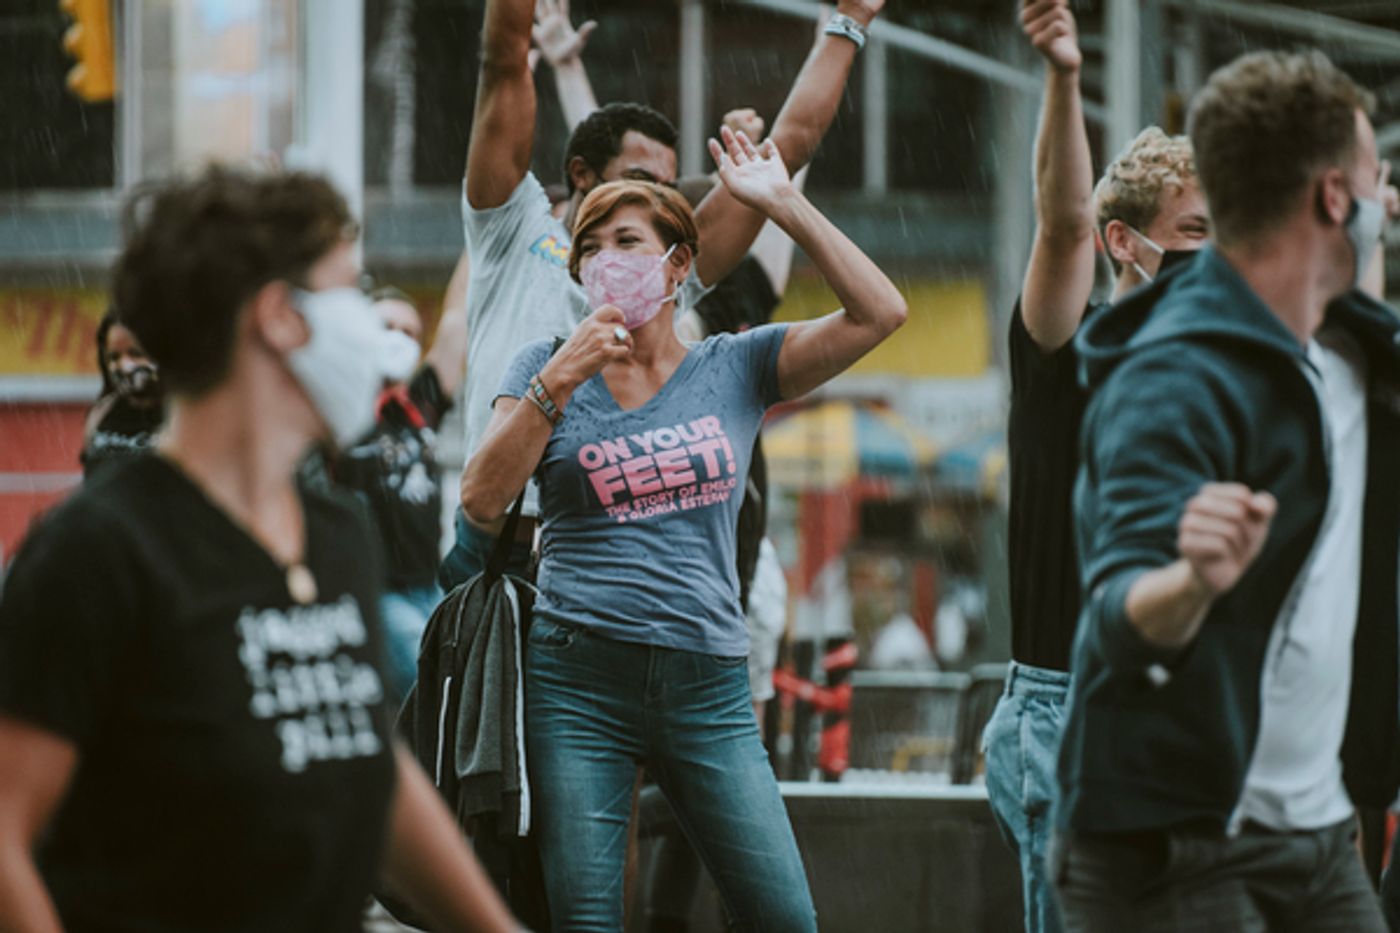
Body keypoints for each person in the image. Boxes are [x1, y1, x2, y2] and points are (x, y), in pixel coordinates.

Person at [0, 165, 520, 932]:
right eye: (348, 292)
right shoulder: (94, 552)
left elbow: (368, 765)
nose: (373, 335)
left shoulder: (335, 526)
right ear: (279, 316)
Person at [460, 126, 906, 930]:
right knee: (588, 918)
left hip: (709, 684)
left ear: (676, 266)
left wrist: (784, 204)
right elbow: (482, 499)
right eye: (590, 246)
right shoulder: (542, 363)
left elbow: (881, 312)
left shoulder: (733, 364)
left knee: (783, 916)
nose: (606, 259)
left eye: (627, 240)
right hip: (577, 677)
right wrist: (560, 379)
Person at [1053, 50, 1396, 931]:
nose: (1385, 200)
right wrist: (1194, 578)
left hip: (1318, 837)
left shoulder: (1359, 351)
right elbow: (1121, 617)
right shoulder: (1174, 378)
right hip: (1173, 848)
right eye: (1374, 177)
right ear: (1332, 199)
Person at [440, 0, 887, 591]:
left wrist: (849, 23)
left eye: (667, 188)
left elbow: (791, 146)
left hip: (607, 557)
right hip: (502, 545)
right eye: (641, 182)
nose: (657, 202)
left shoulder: (670, 262)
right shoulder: (511, 227)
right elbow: (502, 66)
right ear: (581, 175)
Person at [981, 5, 1208, 930]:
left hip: (1176, 702)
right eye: (1195, 234)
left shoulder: (1205, 373)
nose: (1213, 259)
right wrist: (1066, 75)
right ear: (1130, 243)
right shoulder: (1064, 354)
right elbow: (1065, 224)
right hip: (1066, 711)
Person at [332, 286, 468, 705]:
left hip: (429, 586)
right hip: (378, 589)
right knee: (430, 701)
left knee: (451, 695)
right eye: (385, 326)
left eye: (409, 332)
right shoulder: (338, 408)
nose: (397, 338)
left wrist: (484, 230)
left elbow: (456, 320)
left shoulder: (420, 405)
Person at [80, 309, 166, 479]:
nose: (125, 366)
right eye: (114, 357)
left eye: (136, 354)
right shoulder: (101, 413)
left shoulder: (186, 415)